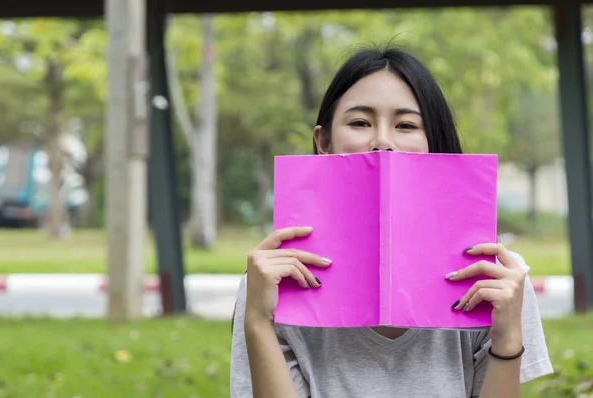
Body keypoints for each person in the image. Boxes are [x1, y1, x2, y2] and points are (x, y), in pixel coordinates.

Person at [230, 45, 553, 398]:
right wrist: (259, 323)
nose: (382, 141)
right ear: (323, 142)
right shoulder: (272, 280)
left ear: (434, 144)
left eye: (406, 125)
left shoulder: (496, 276)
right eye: (359, 122)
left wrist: (507, 338)